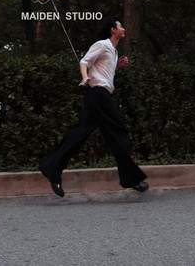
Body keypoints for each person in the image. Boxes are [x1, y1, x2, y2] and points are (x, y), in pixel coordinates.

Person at [39, 17, 148, 197]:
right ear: (113, 30)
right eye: (120, 26)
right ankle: (131, 179)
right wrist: (85, 77)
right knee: (119, 132)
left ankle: (51, 169)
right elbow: (84, 62)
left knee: (79, 133)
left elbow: (103, 72)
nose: (123, 28)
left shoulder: (113, 51)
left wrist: (117, 67)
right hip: (99, 96)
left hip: (97, 97)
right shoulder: (102, 45)